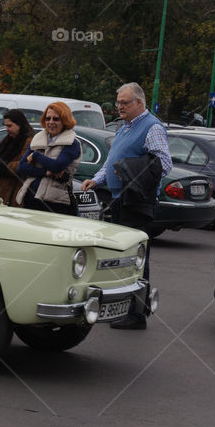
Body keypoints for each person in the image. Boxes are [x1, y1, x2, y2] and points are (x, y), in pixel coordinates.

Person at [82, 82, 172, 330]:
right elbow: (112, 161)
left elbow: (163, 163)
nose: (119, 106)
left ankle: (137, 314)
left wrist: (134, 173)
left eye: (124, 103)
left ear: (139, 103)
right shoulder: (125, 128)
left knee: (137, 258)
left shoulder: (151, 126)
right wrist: (97, 179)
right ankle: (125, 308)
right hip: (120, 198)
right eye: (118, 102)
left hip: (137, 201)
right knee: (125, 257)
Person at [15, 101, 82, 215]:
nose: (51, 122)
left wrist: (36, 156)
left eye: (56, 119)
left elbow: (57, 166)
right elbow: (21, 167)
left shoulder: (72, 143)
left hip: (57, 202)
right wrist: (46, 172)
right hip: (31, 198)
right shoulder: (38, 139)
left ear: (65, 121)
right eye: (48, 118)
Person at [0, 109, 33, 206]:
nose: (7, 129)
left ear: (20, 125)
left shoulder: (29, 142)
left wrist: (1, 168)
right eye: (6, 126)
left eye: (10, 126)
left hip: (14, 192)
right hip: (1, 189)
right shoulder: (8, 140)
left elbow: (23, 164)